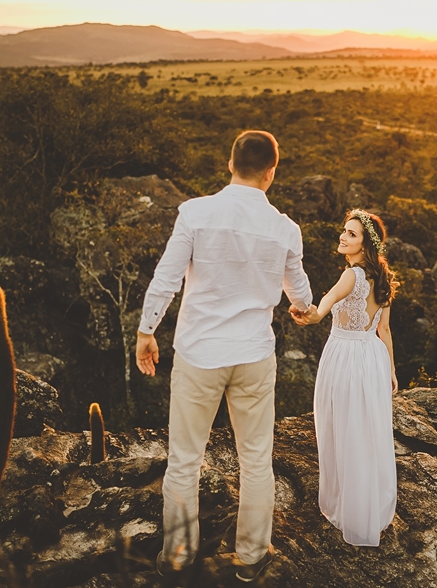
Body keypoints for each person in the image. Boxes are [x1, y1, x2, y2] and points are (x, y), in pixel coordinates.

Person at [135, 130, 313, 583]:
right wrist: (298, 307)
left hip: (200, 354)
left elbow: (167, 278)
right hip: (254, 355)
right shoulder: (284, 228)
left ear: (229, 164)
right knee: (256, 459)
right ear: (272, 172)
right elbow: (302, 295)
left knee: (184, 459)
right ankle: (251, 558)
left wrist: (146, 330)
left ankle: (177, 558)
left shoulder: (195, 213)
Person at [290, 208, 398, 546]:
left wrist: (312, 316)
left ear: (365, 244)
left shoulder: (352, 274)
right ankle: (368, 508)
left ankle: (347, 507)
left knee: (340, 428)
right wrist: (392, 370)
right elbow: (384, 329)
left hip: (346, 355)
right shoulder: (382, 278)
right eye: (344, 230)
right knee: (366, 433)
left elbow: (326, 302)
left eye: (351, 234)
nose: (343, 236)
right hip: (373, 357)